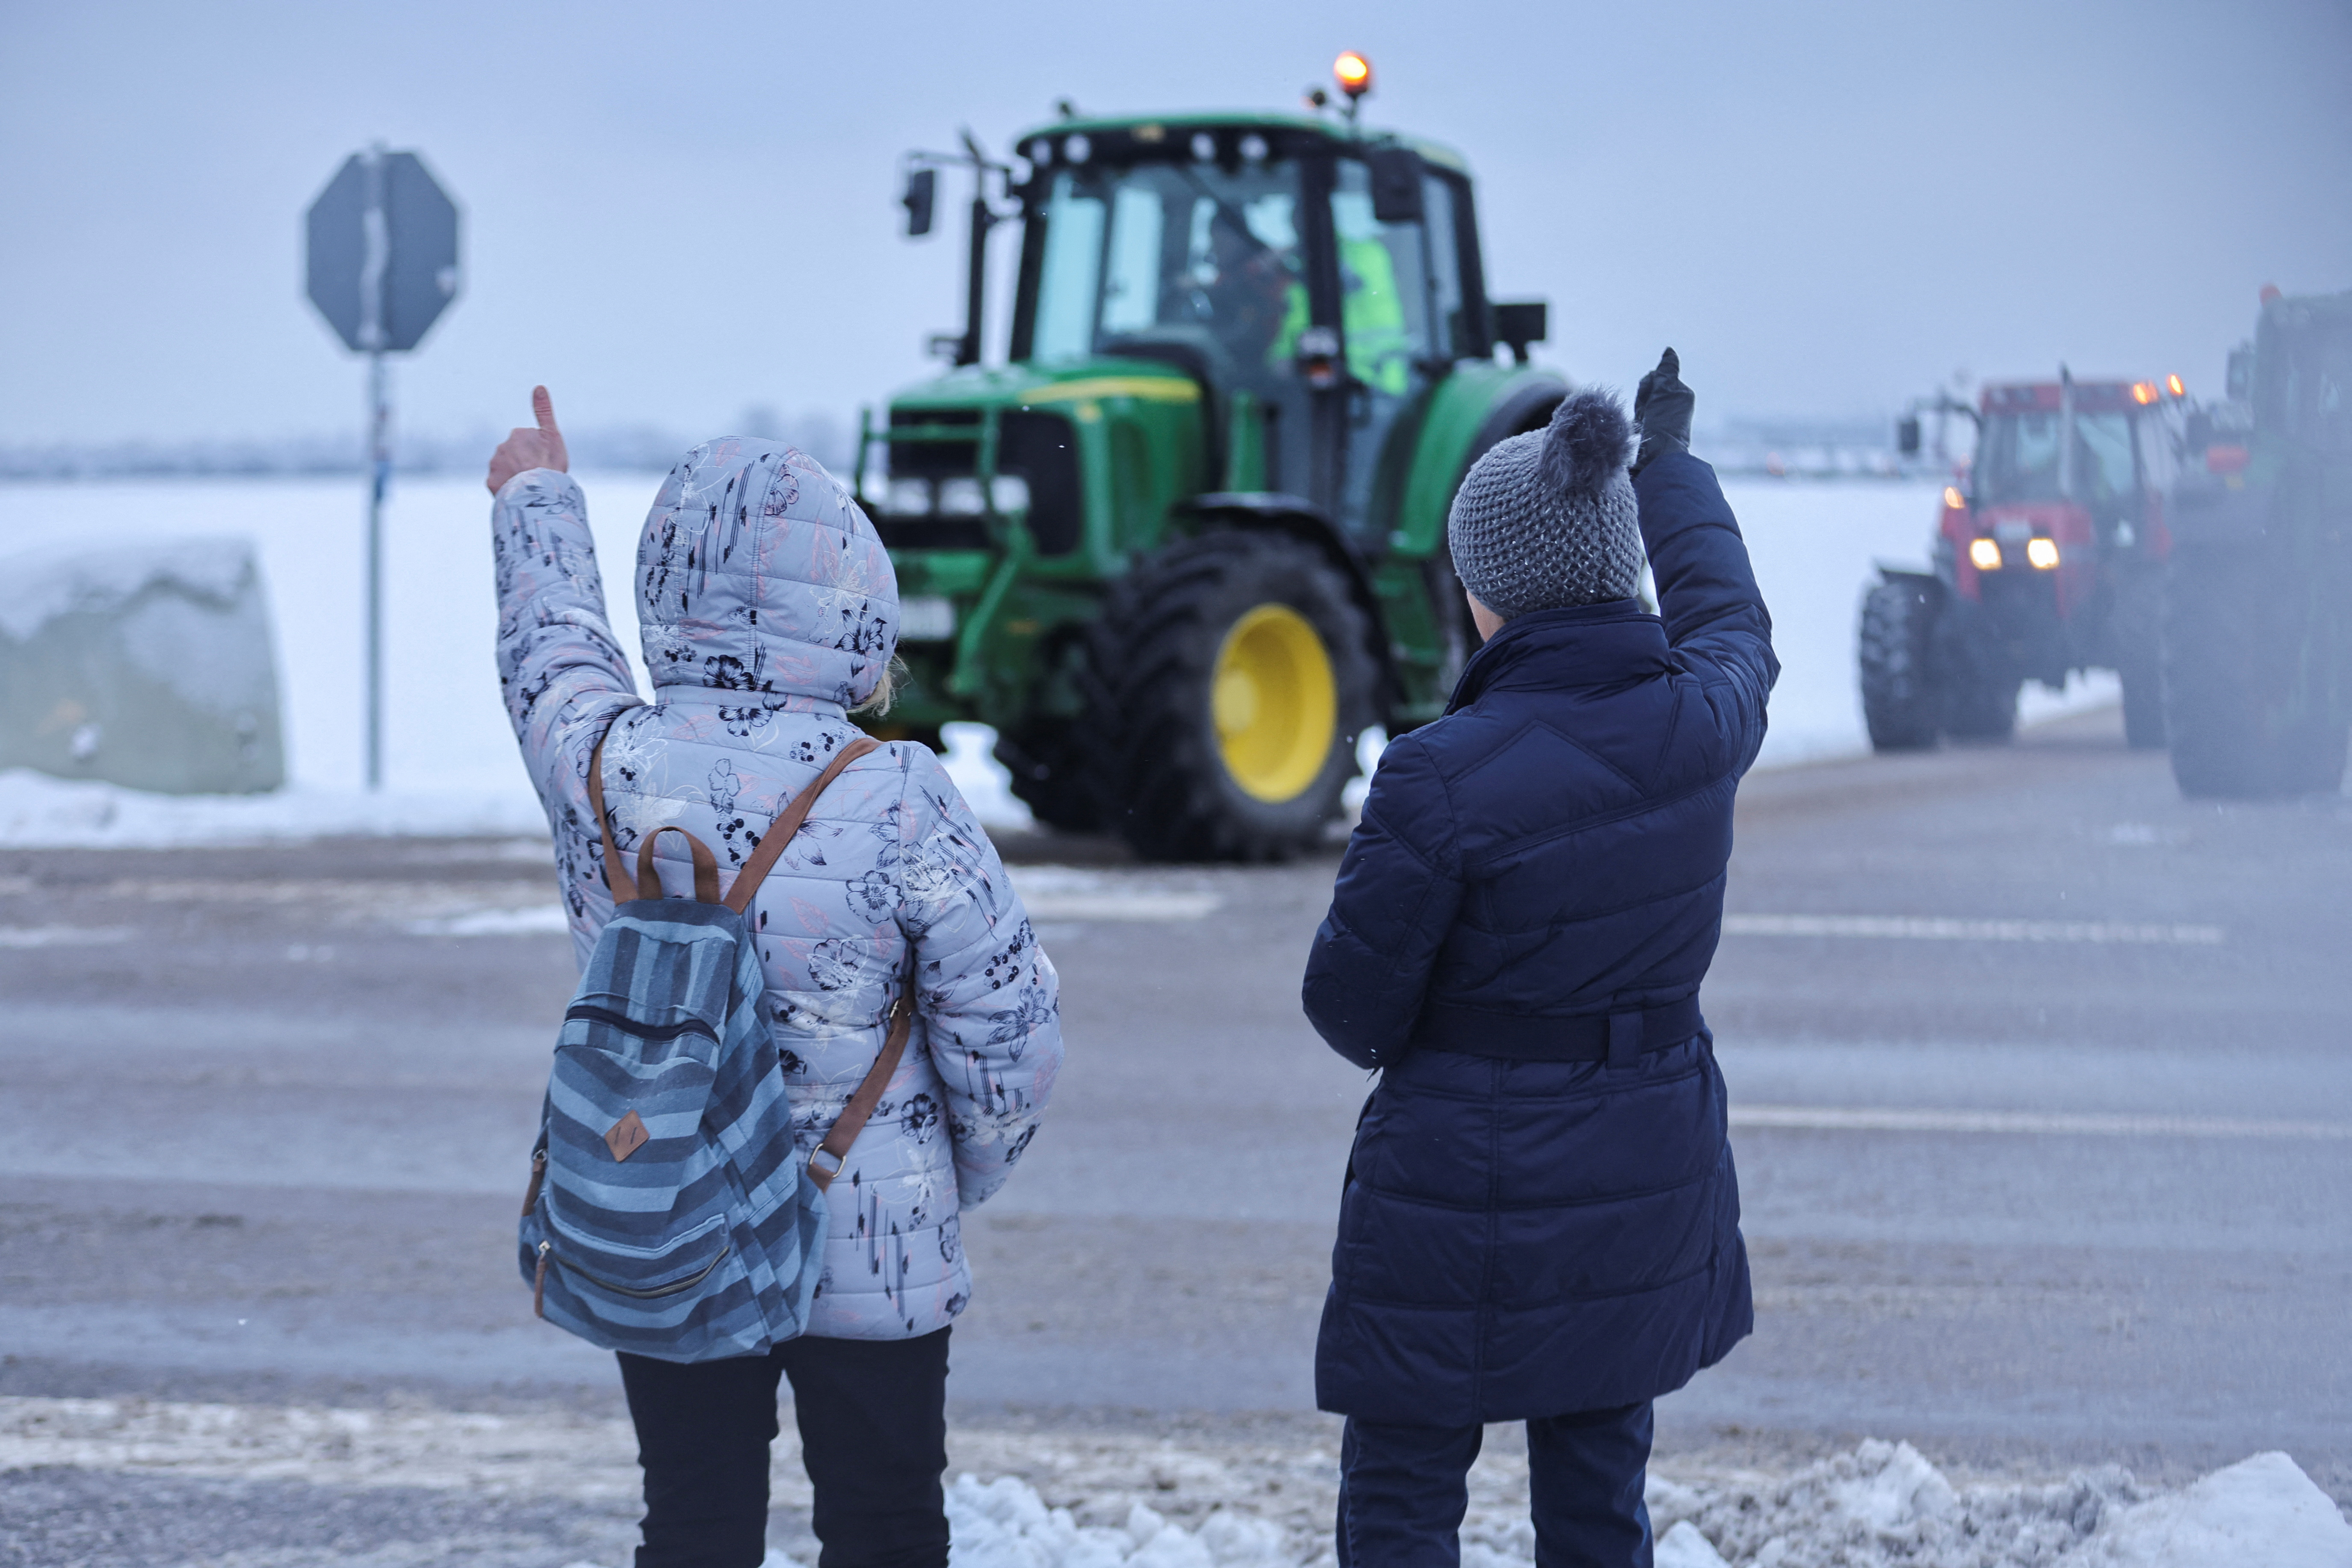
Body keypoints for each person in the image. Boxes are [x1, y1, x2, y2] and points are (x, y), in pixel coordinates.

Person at [485, 390, 1064, 1568]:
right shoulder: (897, 794)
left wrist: (534, 504)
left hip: (670, 1205)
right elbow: (1009, 1028)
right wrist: (953, 1177)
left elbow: (552, 656)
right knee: (886, 1522)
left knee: (693, 1521)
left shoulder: (606, 761)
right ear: (852, 599)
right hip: (872, 1229)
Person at [1301, 351, 1774, 1568]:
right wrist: (1664, 467)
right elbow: (1731, 617)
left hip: (1454, 1187)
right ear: (1616, 566)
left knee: (1403, 1493)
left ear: (1487, 593)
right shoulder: (1700, 720)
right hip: (1641, 1165)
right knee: (1596, 1495)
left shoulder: (1437, 774)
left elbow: (1349, 1008)